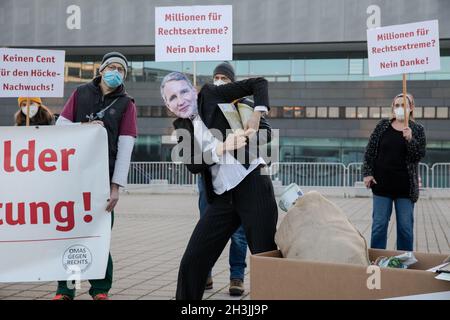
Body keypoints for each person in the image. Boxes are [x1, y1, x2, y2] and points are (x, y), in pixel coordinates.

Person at [160, 71, 278, 300]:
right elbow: (193, 165)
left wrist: (257, 113)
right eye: (172, 97)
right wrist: (222, 147)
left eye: (184, 91)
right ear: (167, 104)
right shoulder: (181, 125)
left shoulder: (212, 93)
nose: (180, 100)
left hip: (252, 183)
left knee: (265, 259)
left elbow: (259, 83)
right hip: (223, 198)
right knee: (193, 260)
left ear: (193, 91)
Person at [52, 51, 138, 300]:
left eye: (121, 70)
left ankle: (100, 289)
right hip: (73, 177)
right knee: (70, 232)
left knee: (99, 235)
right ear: (100, 70)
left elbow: (125, 147)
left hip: (102, 180)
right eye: (111, 67)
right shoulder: (80, 94)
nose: (115, 73)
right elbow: (61, 128)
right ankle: (65, 288)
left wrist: (116, 187)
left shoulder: (127, 104)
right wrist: (84, 127)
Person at [198, 62, 250, 296]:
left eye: (224, 78)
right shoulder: (203, 107)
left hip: (237, 176)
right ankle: (205, 273)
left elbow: (263, 134)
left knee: (238, 231)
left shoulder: (244, 105)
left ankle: (236, 276)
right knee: (206, 227)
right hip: (209, 176)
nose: (219, 81)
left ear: (233, 82)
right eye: (216, 77)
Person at [363, 92, 426, 251]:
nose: (399, 108)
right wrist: (367, 173)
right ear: (392, 107)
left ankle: (403, 262)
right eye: (396, 105)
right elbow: (370, 151)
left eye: (403, 105)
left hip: (405, 188)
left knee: (405, 228)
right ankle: (377, 260)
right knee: (379, 226)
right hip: (381, 186)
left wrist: (410, 139)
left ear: (411, 108)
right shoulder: (382, 126)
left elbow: (418, 155)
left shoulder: (417, 129)